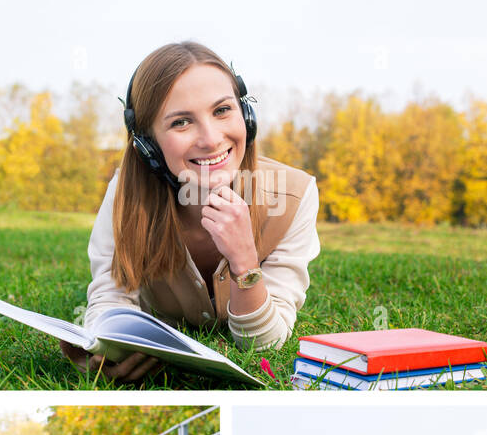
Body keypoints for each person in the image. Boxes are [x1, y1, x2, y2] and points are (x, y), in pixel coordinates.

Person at [60, 41, 321, 382]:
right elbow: (111, 298)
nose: (211, 139)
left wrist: (244, 262)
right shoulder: (125, 193)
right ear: (147, 144)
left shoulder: (295, 196)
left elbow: (264, 344)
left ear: (247, 116)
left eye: (223, 110)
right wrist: (108, 349)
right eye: (181, 122)